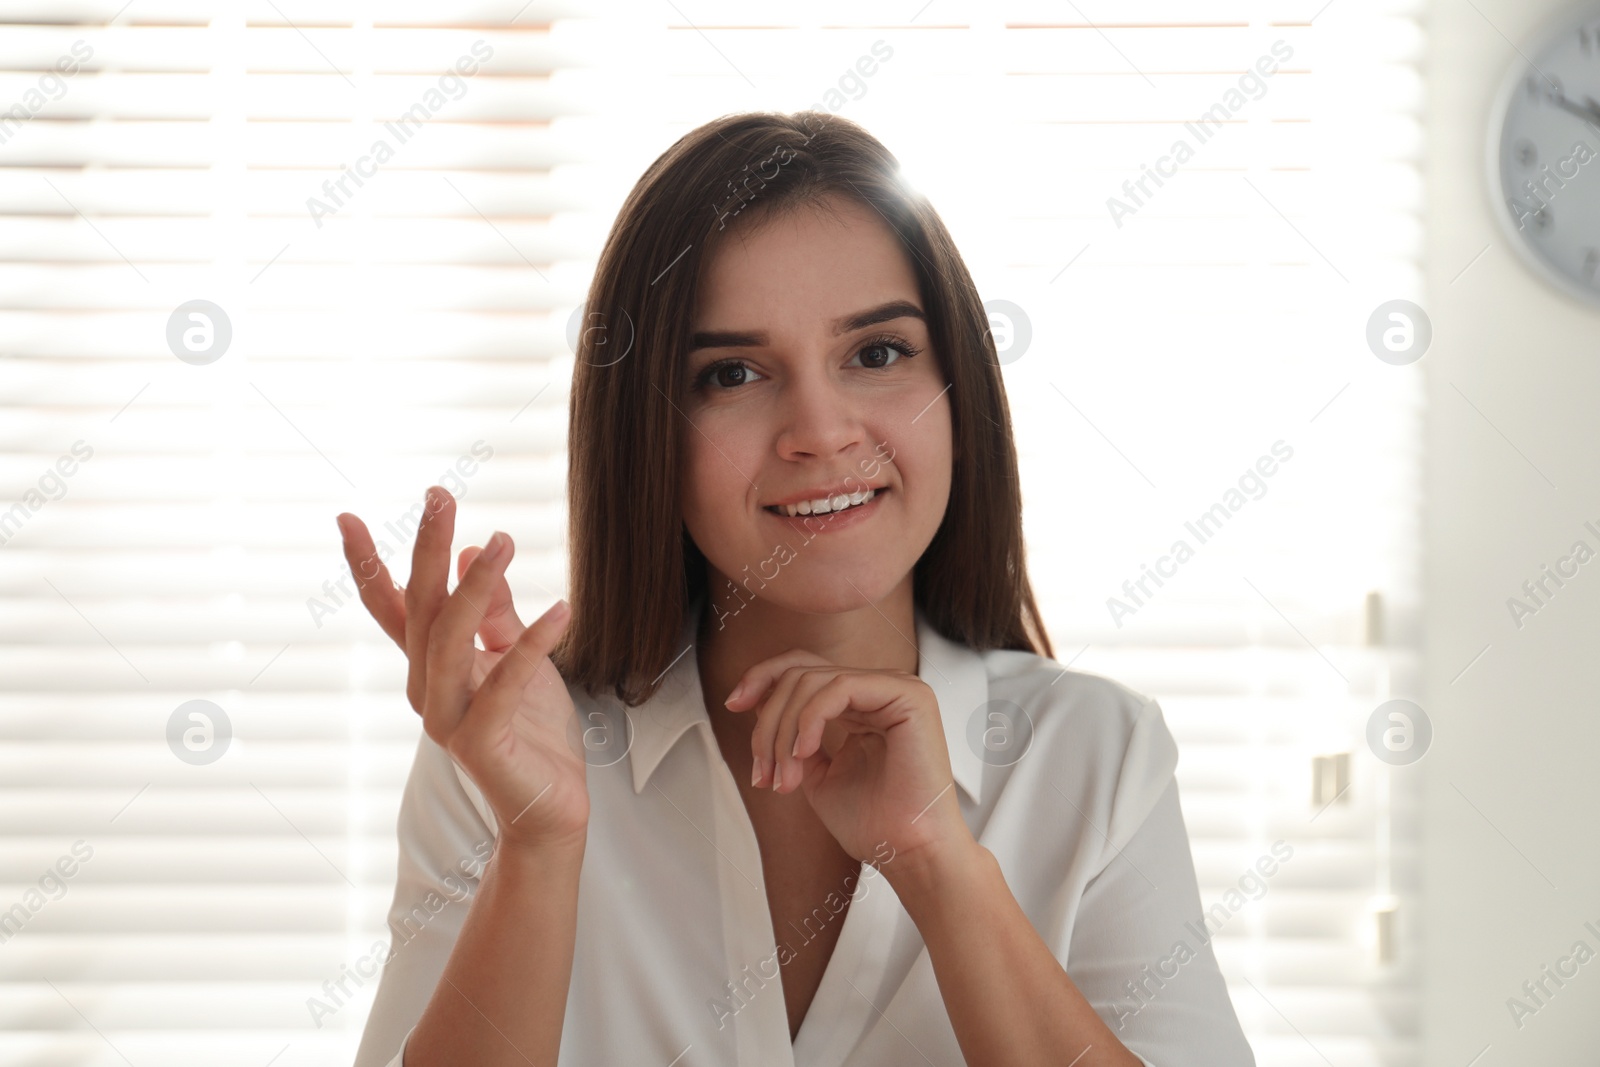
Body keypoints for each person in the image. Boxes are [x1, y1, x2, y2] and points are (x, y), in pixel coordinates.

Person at [338, 110, 1255, 1066]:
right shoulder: (505, 759)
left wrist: (941, 867)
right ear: (647, 431)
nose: (820, 430)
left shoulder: (1097, 757)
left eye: (877, 353)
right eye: (732, 373)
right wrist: (537, 851)